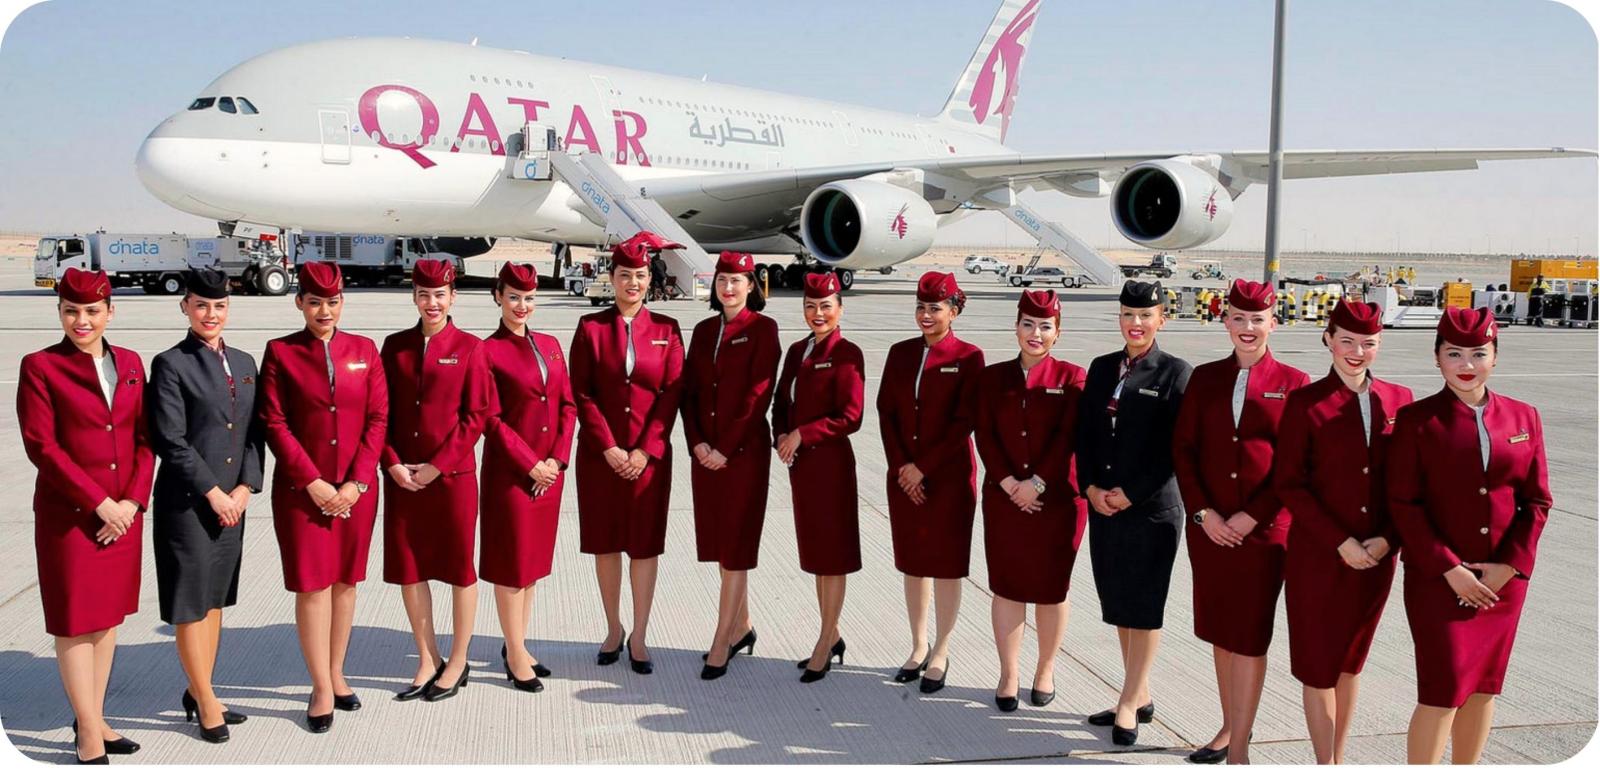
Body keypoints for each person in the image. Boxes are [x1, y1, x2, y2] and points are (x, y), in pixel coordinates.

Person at [1388, 306, 1551, 764]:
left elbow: (1537, 501)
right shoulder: (1416, 421)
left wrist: (1510, 566)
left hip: (1502, 584)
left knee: (1483, 690)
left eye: (1478, 353)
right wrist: (1450, 569)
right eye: (1454, 353)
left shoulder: (1524, 417)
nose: (1466, 364)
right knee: (1441, 692)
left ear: (1495, 356)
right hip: (1438, 581)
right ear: (1436, 357)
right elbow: (1404, 504)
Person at [17, 268, 155, 763]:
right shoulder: (41, 366)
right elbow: (43, 446)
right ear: (59, 313)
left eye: (92, 311)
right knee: (75, 622)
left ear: (110, 312)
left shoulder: (131, 363)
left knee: (106, 617)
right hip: (72, 517)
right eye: (71, 311)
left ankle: (94, 718)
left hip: (123, 514)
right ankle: (89, 733)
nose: (82, 321)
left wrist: (133, 502)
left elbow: (146, 438)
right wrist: (100, 503)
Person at [1172, 278, 1311, 764]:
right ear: (1225, 321)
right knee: (1221, 630)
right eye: (1238, 318)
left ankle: (1241, 747)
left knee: (1249, 636)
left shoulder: (1294, 383)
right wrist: (1204, 514)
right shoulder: (1205, 378)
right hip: (1210, 531)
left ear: (1274, 322)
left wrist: (1253, 516)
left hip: (1264, 534)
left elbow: (1294, 464)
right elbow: (1184, 450)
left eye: (1257, 319)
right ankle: (1230, 725)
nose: (1248, 327)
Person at [1274, 300, 1414, 763]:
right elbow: (1289, 484)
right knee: (1317, 664)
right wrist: (1340, 541)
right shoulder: (1305, 402)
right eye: (1347, 341)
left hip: (1377, 557)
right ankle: (1325, 762)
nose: (1357, 352)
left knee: (1351, 662)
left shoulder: (1400, 400)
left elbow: (1408, 483)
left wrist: (1388, 539)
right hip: (1318, 555)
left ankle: (1339, 756)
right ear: (1328, 339)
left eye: (1368, 343)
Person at [259, 261, 389, 733]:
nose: (324, 311)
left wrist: (356, 482)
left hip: (356, 492)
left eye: (332, 302)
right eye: (314, 302)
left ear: (342, 303)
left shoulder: (364, 350)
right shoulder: (281, 352)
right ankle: (319, 686)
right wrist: (313, 482)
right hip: (303, 494)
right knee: (313, 587)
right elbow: (274, 422)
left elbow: (378, 418)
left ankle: (336, 672)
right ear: (299, 303)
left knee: (345, 584)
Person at [147, 268, 264, 743]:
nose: (210, 314)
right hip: (189, 505)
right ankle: (206, 700)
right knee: (191, 605)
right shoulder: (171, 364)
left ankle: (202, 691)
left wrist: (246, 488)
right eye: (201, 305)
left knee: (215, 600)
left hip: (232, 504)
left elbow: (254, 432)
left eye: (218, 306)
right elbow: (170, 440)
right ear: (185, 307)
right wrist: (215, 493)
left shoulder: (244, 361)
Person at [1075, 280, 1191, 747]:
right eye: (1128, 314)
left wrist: (1132, 493)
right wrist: (1089, 487)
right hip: (1105, 505)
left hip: (1151, 512)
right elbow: (1085, 434)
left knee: (1144, 608)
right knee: (1120, 605)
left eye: (1145, 315)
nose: (1135, 323)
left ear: (1162, 318)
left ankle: (1128, 702)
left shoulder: (1175, 373)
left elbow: (1176, 450)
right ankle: (1137, 693)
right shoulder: (1102, 368)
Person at [569, 231, 686, 675]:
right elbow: (581, 393)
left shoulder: (667, 330)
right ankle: (613, 628)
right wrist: (610, 447)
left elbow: (671, 394)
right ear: (612, 277)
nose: (632, 283)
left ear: (649, 279)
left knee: (643, 546)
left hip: (648, 461)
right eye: (624, 275)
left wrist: (645, 450)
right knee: (606, 544)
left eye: (639, 275)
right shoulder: (591, 328)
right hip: (601, 459)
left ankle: (639, 633)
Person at [381, 258, 494, 702]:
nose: (432, 303)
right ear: (414, 296)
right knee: (410, 568)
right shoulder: (394, 347)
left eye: (440, 295)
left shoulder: (470, 348)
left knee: (459, 569)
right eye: (424, 294)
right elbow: (380, 412)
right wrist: (392, 463)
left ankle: (459, 659)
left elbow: (476, 415)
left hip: (452, 479)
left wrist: (437, 465)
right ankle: (427, 657)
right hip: (403, 478)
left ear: (453, 297)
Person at [973, 290, 1088, 712]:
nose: (1035, 334)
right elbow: (984, 434)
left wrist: (1036, 484)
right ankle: (1009, 672)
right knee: (1008, 587)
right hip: (1004, 500)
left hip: (1056, 502)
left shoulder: (1073, 378)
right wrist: (1009, 484)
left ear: (1058, 332)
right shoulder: (992, 378)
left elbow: (1068, 437)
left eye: (1045, 326)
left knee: (1051, 590)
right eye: (1028, 324)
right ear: (1016, 327)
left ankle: (1045, 668)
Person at [877, 271, 984, 694]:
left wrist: (922, 467)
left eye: (935, 308)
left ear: (953, 311)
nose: (926, 315)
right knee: (914, 562)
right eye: (921, 307)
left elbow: (964, 421)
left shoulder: (969, 357)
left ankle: (941, 648)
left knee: (946, 566)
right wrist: (902, 466)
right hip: (905, 478)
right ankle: (918, 644)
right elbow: (887, 412)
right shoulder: (900, 353)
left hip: (948, 479)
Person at [682, 251, 781, 681]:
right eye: (722, 279)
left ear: (751, 285)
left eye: (737, 280)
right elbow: (688, 392)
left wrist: (724, 448)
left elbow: (759, 395)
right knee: (723, 544)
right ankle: (742, 627)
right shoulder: (704, 331)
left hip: (742, 457)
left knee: (737, 546)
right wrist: (698, 443)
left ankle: (722, 639)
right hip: (706, 455)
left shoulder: (763, 329)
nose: (728, 287)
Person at [480, 262, 577, 694]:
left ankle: (517, 642)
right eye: (514, 297)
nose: (522, 306)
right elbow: (490, 418)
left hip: (548, 475)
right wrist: (530, 464)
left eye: (529, 298)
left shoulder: (551, 345)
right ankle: (515, 652)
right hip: (512, 476)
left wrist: (557, 460)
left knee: (532, 564)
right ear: (498, 297)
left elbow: (568, 406)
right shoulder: (487, 351)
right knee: (511, 565)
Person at [773, 272, 865, 683]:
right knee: (816, 558)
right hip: (802, 469)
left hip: (831, 467)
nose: (818, 313)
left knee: (833, 557)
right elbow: (781, 401)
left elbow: (851, 416)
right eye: (810, 306)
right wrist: (781, 435)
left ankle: (824, 642)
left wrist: (803, 434)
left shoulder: (847, 353)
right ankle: (834, 633)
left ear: (840, 309)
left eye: (826, 306)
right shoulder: (797, 351)